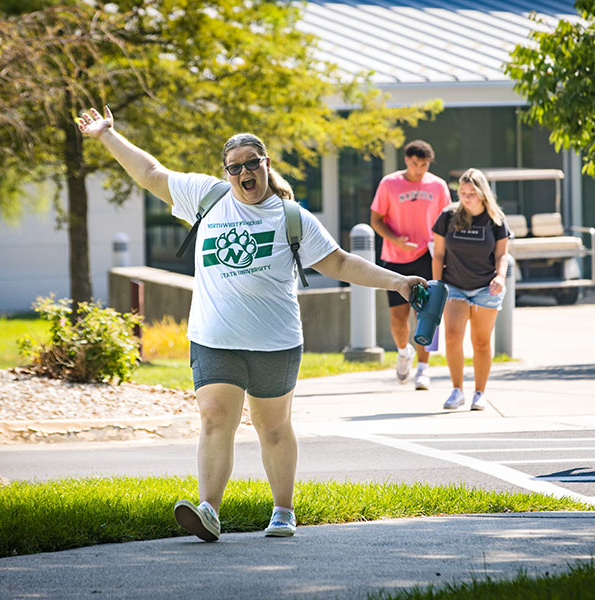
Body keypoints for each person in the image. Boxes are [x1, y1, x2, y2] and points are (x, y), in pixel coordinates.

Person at [77, 106, 426, 541]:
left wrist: (401, 282)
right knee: (214, 417)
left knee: (274, 427)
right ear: (226, 173)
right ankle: (209, 510)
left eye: (251, 164)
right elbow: (151, 173)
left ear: (266, 165)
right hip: (214, 337)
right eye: (234, 167)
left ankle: (283, 511)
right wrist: (108, 135)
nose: (244, 172)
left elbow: (339, 262)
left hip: (274, 341)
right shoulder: (207, 197)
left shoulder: (291, 217)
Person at [371, 140, 451, 391]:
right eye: (415, 164)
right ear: (407, 160)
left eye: (424, 165)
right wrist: (395, 239)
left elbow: (447, 222)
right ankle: (404, 352)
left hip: (428, 257)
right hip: (395, 257)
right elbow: (375, 219)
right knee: (398, 317)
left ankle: (423, 370)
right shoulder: (389, 183)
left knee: (426, 316)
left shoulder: (438, 186)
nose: (419, 169)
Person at [431, 168, 510, 411]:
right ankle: (457, 390)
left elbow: (502, 255)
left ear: (483, 194)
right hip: (454, 285)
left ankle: (480, 393)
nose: (466, 197)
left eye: (472, 193)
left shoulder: (495, 220)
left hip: (486, 288)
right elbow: (439, 254)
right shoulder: (448, 216)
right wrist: (437, 287)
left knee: (481, 341)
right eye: (463, 192)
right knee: (453, 336)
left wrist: (500, 276)